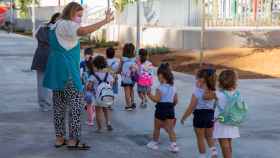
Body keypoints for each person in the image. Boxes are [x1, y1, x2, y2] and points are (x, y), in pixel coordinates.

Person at [43, 2, 114, 150]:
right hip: (68, 71)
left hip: (57, 71)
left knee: (59, 106)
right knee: (75, 106)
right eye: (79, 15)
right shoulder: (68, 25)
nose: (80, 19)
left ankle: (59, 138)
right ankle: (73, 140)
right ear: (71, 13)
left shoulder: (57, 24)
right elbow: (82, 31)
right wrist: (104, 21)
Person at [180, 68, 218, 158]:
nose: (196, 80)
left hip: (199, 116)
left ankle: (202, 156)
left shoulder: (197, 92)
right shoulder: (214, 92)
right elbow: (216, 105)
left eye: (198, 78)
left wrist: (184, 117)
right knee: (209, 136)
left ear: (202, 79)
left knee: (200, 138)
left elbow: (191, 107)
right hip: (210, 115)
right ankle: (214, 153)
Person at [31, 12, 60, 112]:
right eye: (59, 19)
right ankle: (45, 103)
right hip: (46, 59)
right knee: (44, 82)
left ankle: (46, 103)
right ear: (54, 19)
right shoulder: (47, 29)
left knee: (46, 82)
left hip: (48, 59)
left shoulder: (46, 28)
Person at [146, 63, 179, 153]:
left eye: (158, 75)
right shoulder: (173, 87)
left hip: (161, 109)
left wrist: (149, 94)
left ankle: (154, 143)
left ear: (161, 76)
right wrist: (171, 106)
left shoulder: (159, 88)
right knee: (170, 128)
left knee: (157, 127)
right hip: (170, 108)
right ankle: (174, 145)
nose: (157, 77)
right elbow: (176, 100)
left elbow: (156, 99)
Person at [209, 70, 241, 158]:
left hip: (221, 121)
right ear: (234, 81)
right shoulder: (236, 94)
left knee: (224, 145)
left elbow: (207, 99)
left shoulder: (218, 94)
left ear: (220, 82)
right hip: (232, 120)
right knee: (229, 143)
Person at [88, 56, 114, 132]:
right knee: (106, 109)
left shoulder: (93, 76)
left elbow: (89, 87)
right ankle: (108, 123)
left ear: (95, 65)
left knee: (98, 112)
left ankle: (100, 128)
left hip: (97, 97)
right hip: (106, 96)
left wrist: (90, 89)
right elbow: (111, 84)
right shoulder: (108, 75)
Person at [120, 43, 138, 111]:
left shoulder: (122, 59)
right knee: (131, 89)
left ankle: (128, 105)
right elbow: (137, 66)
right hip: (133, 77)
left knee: (126, 91)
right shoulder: (135, 58)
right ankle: (133, 102)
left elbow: (120, 68)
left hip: (125, 78)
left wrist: (116, 72)